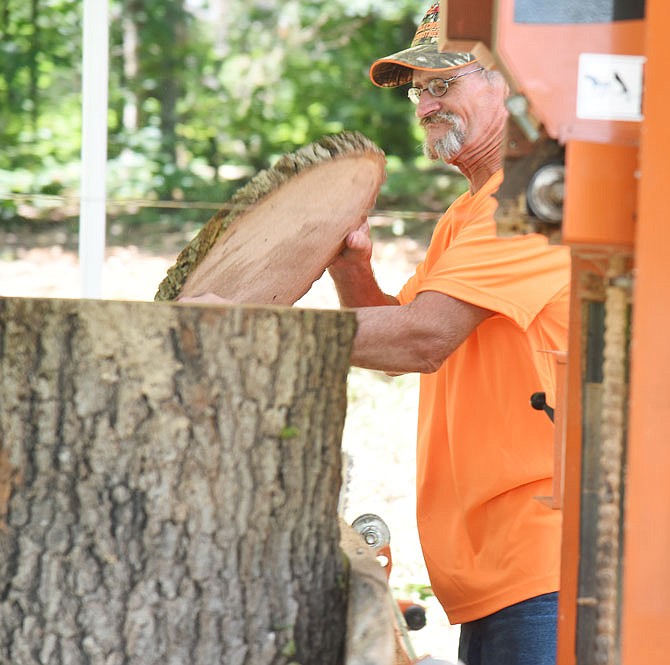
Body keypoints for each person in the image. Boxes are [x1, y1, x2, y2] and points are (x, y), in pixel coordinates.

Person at [326, 3, 571, 664]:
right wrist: (352, 268)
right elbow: (398, 341)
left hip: (544, 567)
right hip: (498, 576)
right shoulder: (469, 212)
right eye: (418, 90)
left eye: (444, 83)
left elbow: (420, 339)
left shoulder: (531, 206)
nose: (426, 104)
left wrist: (248, 335)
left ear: (510, 86)